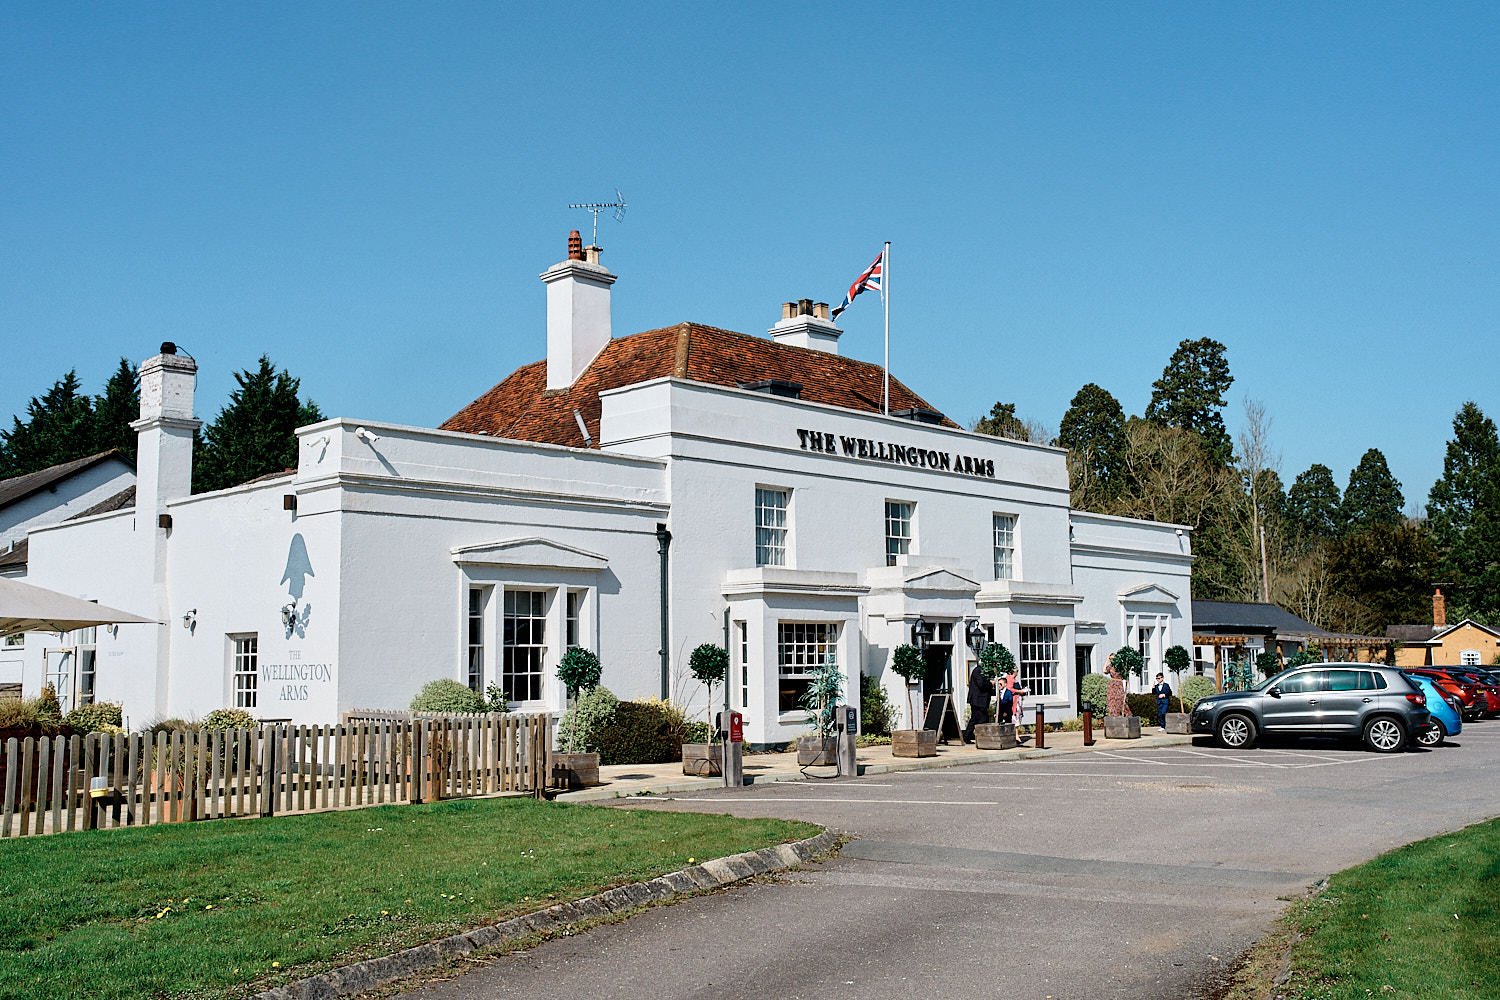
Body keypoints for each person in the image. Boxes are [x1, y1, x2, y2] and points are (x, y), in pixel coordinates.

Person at [964, 659, 996, 742]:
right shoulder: (978, 671)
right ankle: (982, 738)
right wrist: (991, 683)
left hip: (979, 700)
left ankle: (967, 736)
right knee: (982, 719)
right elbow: (981, 684)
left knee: (974, 718)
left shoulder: (981, 671)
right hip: (978, 700)